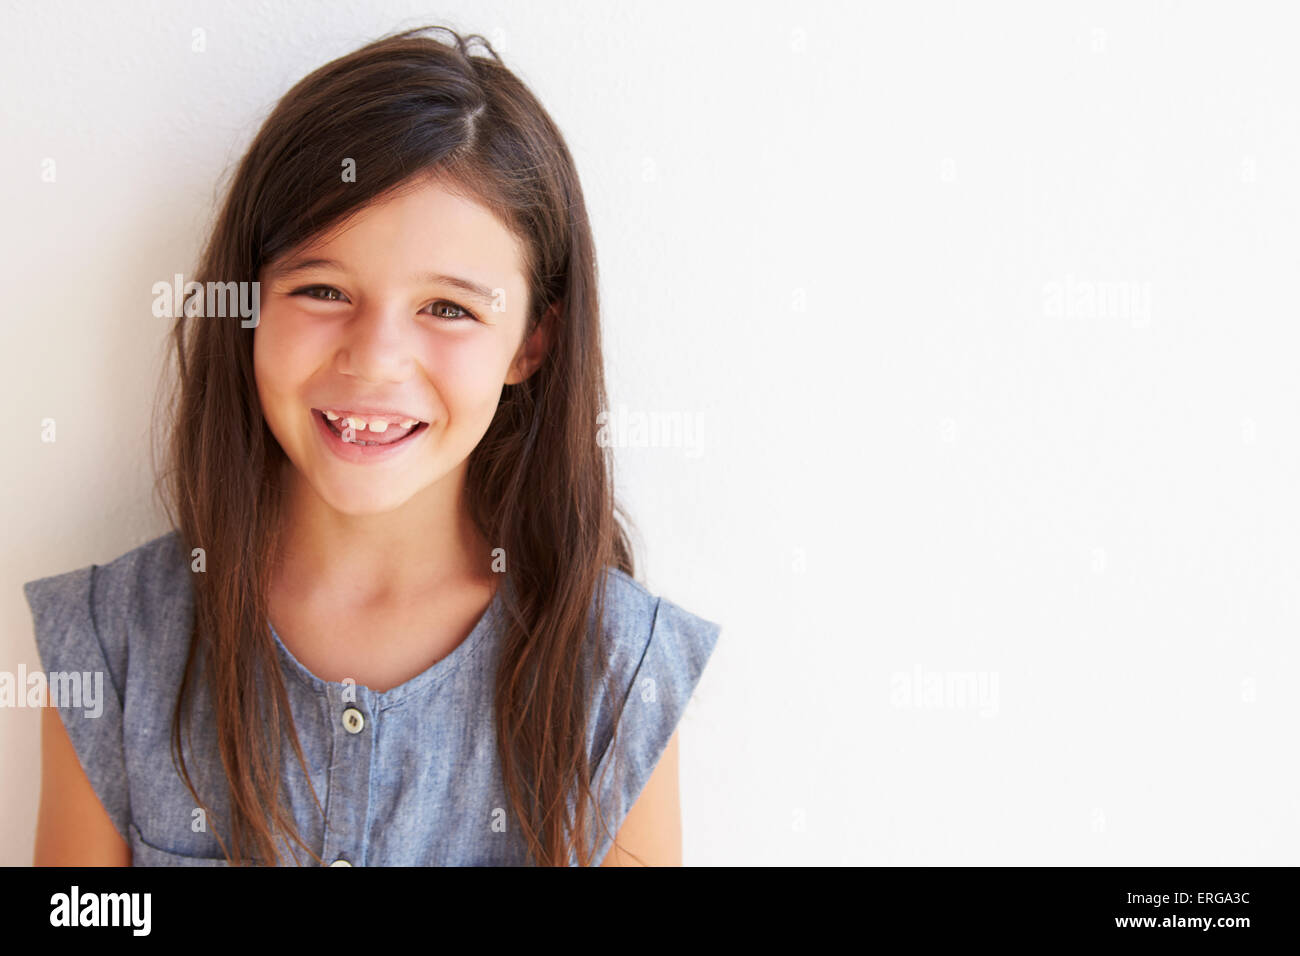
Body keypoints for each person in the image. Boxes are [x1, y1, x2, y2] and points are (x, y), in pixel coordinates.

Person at [24, 25, 720, 867]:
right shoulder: (113, 646)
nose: (375, 359)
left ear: (532, 342)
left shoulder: (619, 677)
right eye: (323, 290)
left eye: (449, 309)